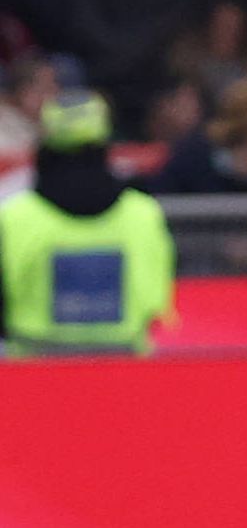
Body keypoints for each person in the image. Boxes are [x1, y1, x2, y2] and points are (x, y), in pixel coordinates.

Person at [0, 89, 174, 354]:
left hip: (34, 378)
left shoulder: (13, 217)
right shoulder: (144, 214)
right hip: (126, 376)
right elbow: (156, 303)